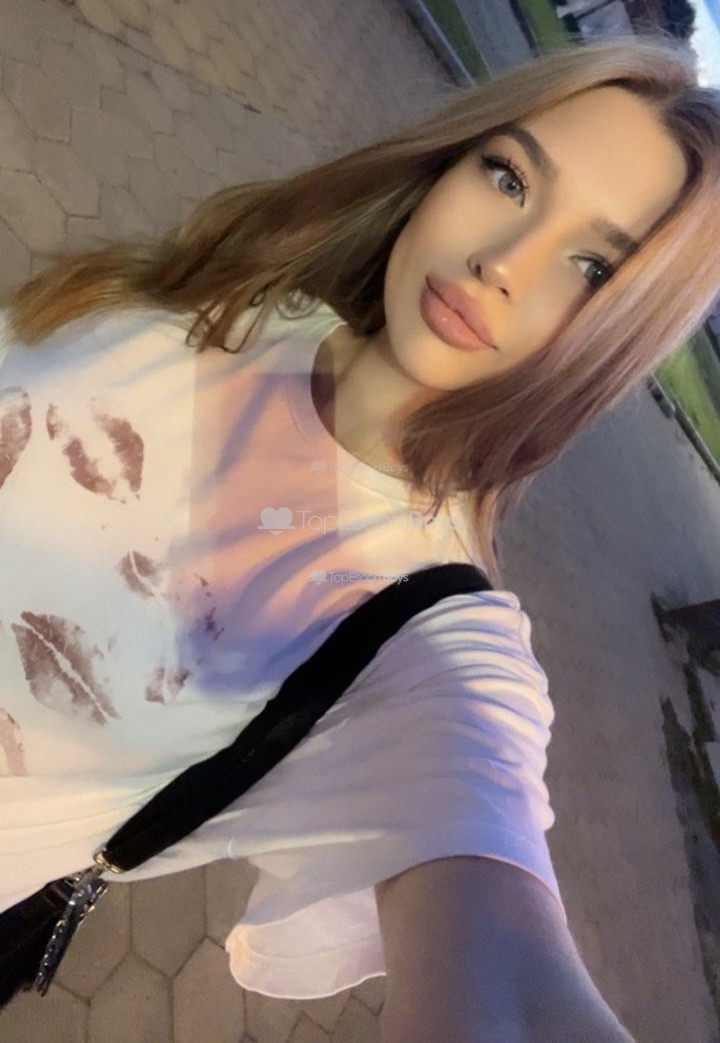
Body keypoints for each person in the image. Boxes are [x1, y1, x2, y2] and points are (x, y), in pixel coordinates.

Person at [0, 29, 718, 1043]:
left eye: (593, 267)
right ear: (449, 162)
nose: (501, 262)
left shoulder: (426, 637)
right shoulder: (250, 292)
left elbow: (505, 958)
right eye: (510, 177)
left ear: (616, 338)